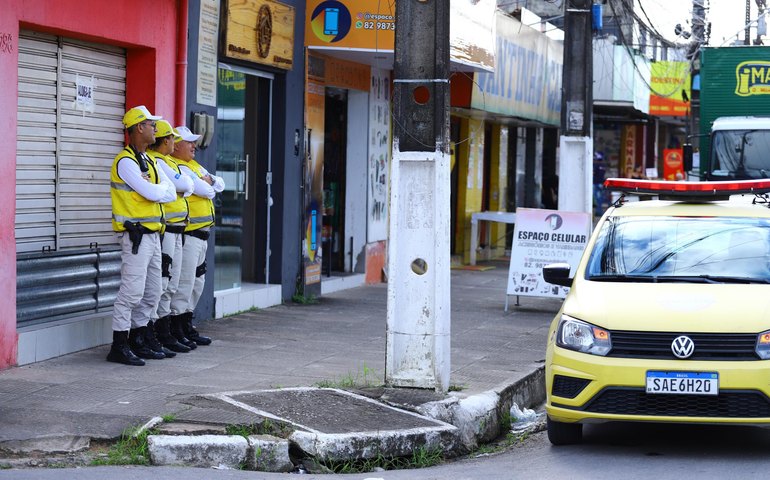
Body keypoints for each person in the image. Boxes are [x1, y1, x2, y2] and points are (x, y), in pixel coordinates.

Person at [107, 106, 178, 366]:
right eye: (150, 125)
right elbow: (153, 193)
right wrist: (158, 189)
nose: (154, 129)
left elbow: (167, 193)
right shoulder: (125, 161)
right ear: (139, 128)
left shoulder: (148, 161)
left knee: (153, 291)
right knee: (131, 293)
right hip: (135, 237)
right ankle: (119, 345)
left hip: (152, 236)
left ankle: (139, 339)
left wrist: (157, 189)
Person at [168, 126, 225, 347]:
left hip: (202, 235)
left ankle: (186, 324)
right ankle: (176, 327)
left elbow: (219, 184)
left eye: (194, 142)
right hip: (189, 234)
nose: (194, 146)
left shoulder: (194, 166)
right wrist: (208, 183)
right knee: (184, 282)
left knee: (197, 282)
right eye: (189, 142)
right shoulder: (178, 167)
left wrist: (209, 182)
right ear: (176, 145)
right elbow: (207, 190)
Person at [147, 120, 195, 355]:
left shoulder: (166, 163)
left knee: (172, 283)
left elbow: (186, 185)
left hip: (177, 231)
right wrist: (180, 186)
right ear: (166, 141)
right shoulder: (156, 161)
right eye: (172, 139)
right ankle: (158, 332)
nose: (174, 143)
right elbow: (183, 186)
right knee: (163, 283)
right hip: (166, 231)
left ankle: (164, 332)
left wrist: (181, 186)